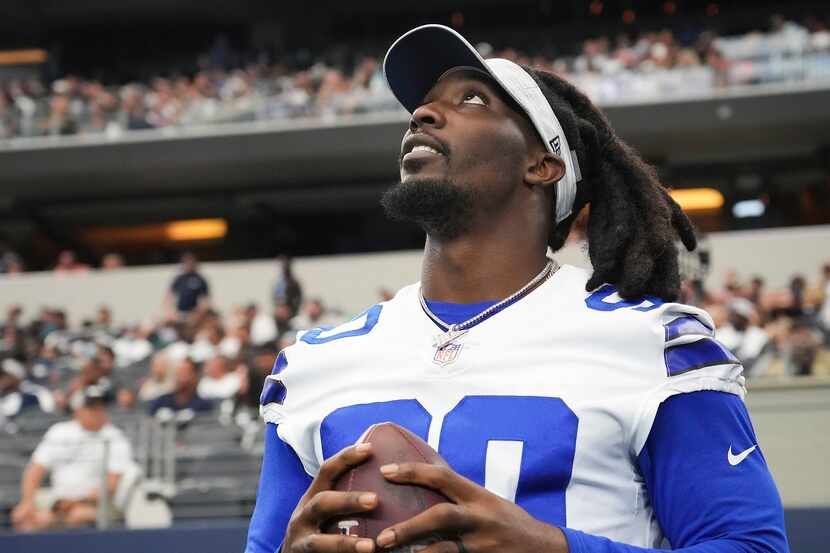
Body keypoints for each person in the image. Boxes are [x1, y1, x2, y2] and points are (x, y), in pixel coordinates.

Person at [246, 25, 787, 553]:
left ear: (542, 164)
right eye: (425, 104)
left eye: (472, 100)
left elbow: (751, 545)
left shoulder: (653, 345)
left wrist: (553, 547)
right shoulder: (313, 366)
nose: (423, 114)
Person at [11, 383, 133, 531]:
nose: (97, 411)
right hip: (58, 503)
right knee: (23, 516)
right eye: (91, 407)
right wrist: (27, 501)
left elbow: (110, 486)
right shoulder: (59, 432)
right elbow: (35, 471)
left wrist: (75, 502)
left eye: (101, 407)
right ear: (78, 410)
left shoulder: (114, 438)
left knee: (78, 515)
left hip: (99, 505)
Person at [147, 357, 213, 415]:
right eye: (178, 373)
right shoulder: (161, 402)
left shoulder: (203, 405)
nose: (180, 377)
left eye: (185, 373)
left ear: (195, 376)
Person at [165, 252, 210, 318]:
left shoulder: (200, 279)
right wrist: (170, 311)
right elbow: (169, 296)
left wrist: (199, 313)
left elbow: (204, 299)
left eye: (191, 262)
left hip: (194, 314)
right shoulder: (179, 279)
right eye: (186, 262)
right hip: (179, 313)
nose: (189, 264)